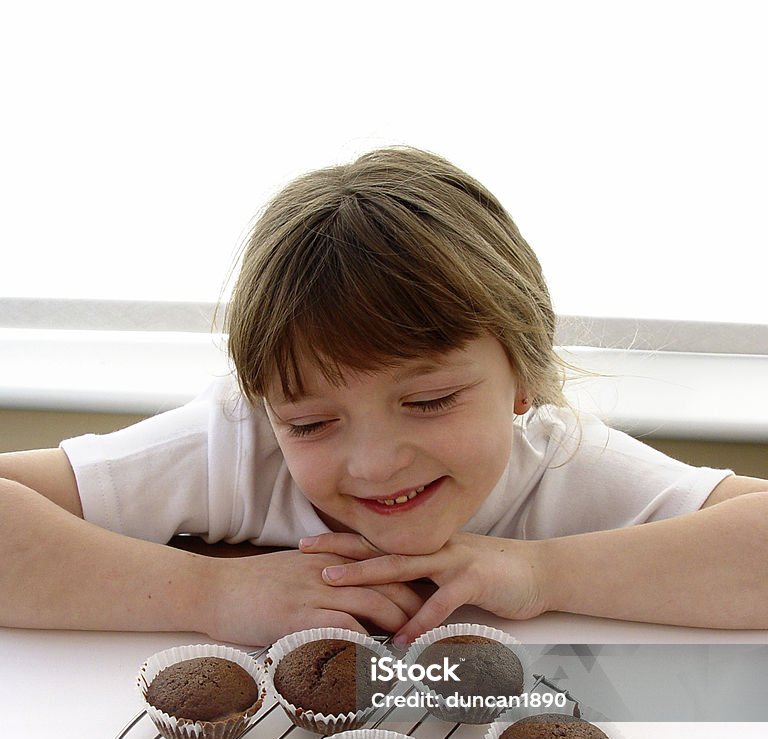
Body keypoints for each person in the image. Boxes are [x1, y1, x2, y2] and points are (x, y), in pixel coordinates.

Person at [1, 147, 767, 646]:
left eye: (430, 401)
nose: (372, 465)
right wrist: (212, 593)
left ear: (523, 376)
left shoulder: (560, 462)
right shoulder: (235, 445)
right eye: (310, 422)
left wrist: (542, 573)